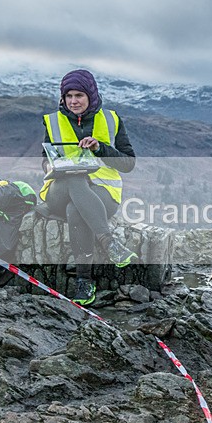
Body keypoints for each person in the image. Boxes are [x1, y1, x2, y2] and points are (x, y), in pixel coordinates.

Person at [39, 69, 138, 305]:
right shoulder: (53, 121)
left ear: (90, 96)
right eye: (68, 96)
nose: (73, 101)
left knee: (77, 209)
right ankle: (108, 241)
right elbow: (44, 159)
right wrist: (50, 167)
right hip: (58, 193)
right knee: (74, 177)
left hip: (102, 193)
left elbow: (128, 164)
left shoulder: (112, 119)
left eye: (79, 95)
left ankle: (84, 281)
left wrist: (100, 149)